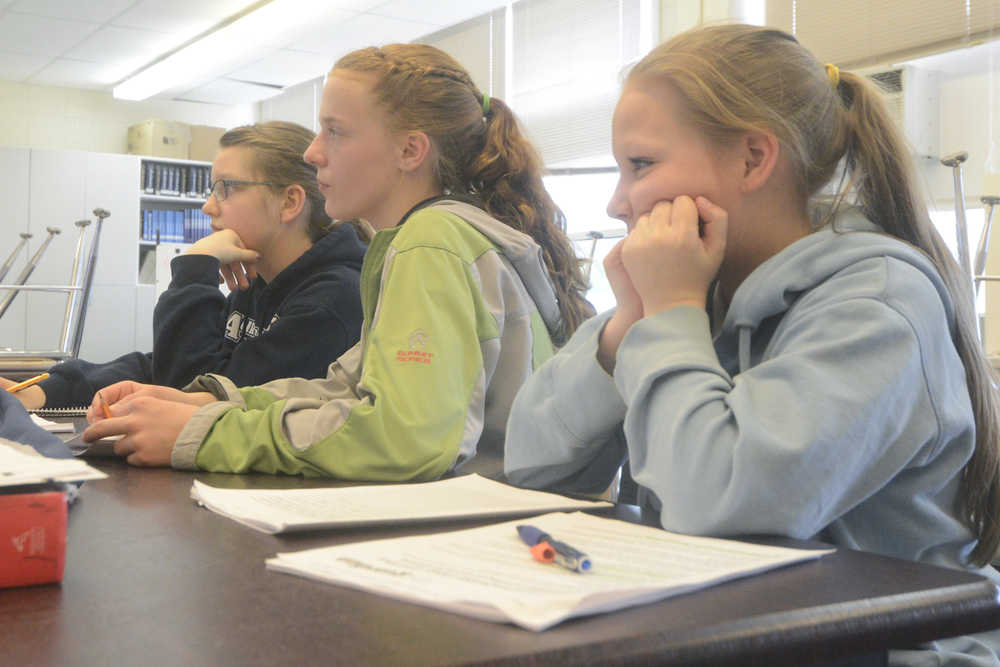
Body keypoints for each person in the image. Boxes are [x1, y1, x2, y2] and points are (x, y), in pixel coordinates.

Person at [504, 24, 1000, 664]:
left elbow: (719, 505)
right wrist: (628, 324)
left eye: (642, 165)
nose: (617, 200)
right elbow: (533, 469)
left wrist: (671, 316)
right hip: (729, 636)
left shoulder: (877, 304)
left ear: (753, 159)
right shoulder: (697, 289)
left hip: (886, 652)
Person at [82, 43, 592, 481]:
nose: (312, 152)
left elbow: (403, 439)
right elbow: (343, 388)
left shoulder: (431, 243)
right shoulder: (425, 240)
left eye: (335, 131)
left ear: (410, 150)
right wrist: (205, 404)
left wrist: (203, 433)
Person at [1, 121, 366, 410]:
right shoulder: (258, 283)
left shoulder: (331, 302)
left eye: (226, 188)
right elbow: (164, 365)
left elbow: (192, 393)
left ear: (289, 202)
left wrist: (195, 269)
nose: (209, 206)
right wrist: (50, 389)